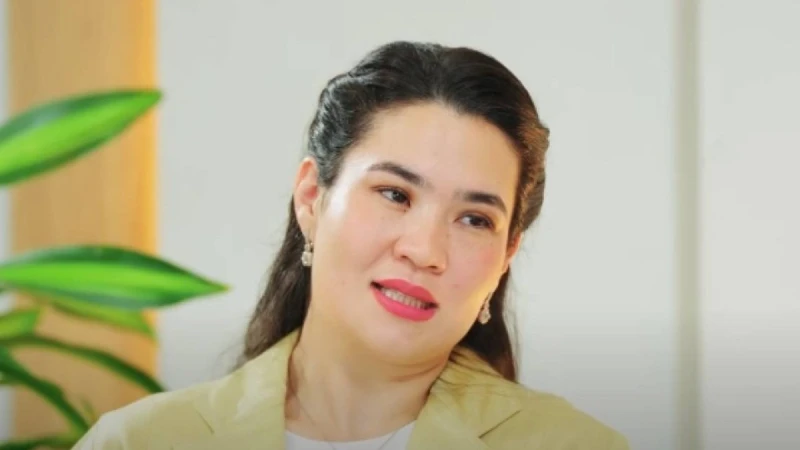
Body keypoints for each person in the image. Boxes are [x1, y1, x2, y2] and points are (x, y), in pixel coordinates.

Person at [73, 41, 629, 450]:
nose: (424, 250)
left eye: (474, 219)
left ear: (506, 256)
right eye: (394, 194)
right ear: (312, 198)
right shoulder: (137, 442)